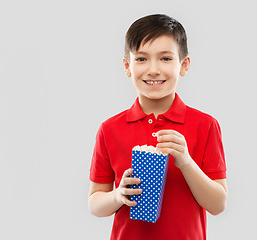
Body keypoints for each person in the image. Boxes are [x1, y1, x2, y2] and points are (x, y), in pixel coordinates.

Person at [88, 14, 228, 240]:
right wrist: (118, 195)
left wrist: (185, 161)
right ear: (127, 66)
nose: (153, 70)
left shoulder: (205, 126)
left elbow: (218, 204)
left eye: (165, 58)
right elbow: (95, 203)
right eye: (142, 59)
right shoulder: (110, 129)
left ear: (183, 65)